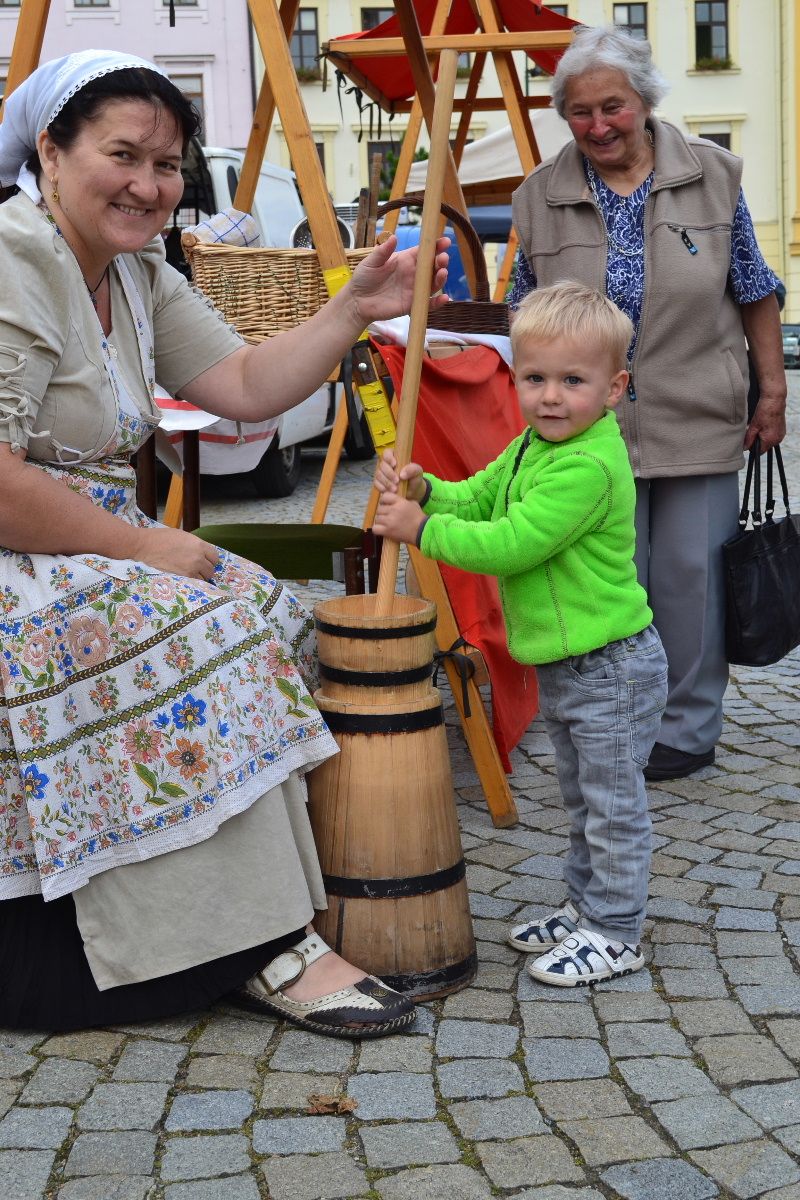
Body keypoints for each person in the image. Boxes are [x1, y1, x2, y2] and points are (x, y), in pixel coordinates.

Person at [0, 50, 449, 1036]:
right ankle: (261, 945)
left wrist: (350, 309)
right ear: (51, 152)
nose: (148, 185)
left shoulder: (133, 271)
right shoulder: (14, 256)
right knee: (211, 636)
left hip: (86, 543)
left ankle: (263, 913)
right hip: (20, 550)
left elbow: (243, 386)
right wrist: (142, 549)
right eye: (124, 154)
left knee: (268, 607)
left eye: (167, 165)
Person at [508, 25, 786, 783]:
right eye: (580, 111)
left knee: (691, 580)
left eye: (613, 107)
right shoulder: (539, 197)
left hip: (696, 409)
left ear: (645, 102)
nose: (598, 125)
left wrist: (771, 389)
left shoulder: (713, 175)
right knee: (606, 581)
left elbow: (755, 288)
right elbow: (523, 310)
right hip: (588, 430)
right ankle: (615, 722)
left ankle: (688, 729)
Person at [373, 281, 668, 985]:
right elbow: (478, 496)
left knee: (612, 806)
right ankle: (586, 907)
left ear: (614, 387)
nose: (550, 397)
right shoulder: (533, 446)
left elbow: (512, 543)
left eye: (573, 381)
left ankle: (617, 931)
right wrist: (426, 491)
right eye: (535, 378)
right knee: (582, 798)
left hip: (612, 668)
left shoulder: (587, 466)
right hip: (570, 666)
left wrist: (423, 530)